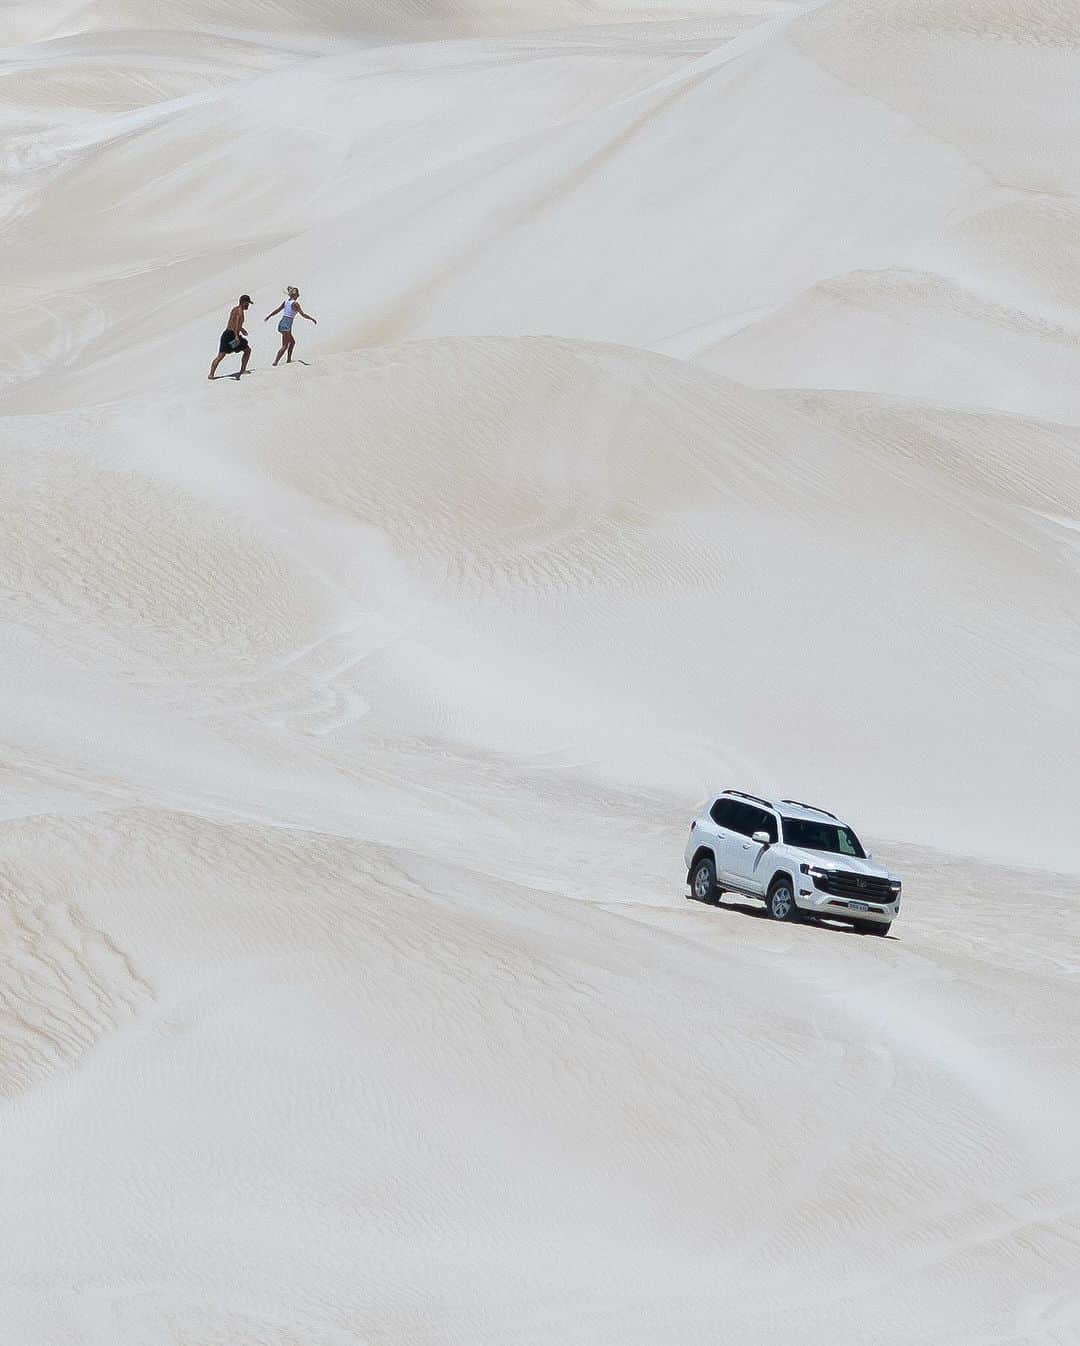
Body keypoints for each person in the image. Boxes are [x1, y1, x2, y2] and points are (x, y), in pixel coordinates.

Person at [265, 287, 317, 365]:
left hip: (282, 322)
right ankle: (275, 362)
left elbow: (278, 310)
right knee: (285, 345)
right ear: (296, 295)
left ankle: (288, 360)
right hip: (287, 324)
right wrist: (312, 319)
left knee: (292, 342)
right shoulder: (295, 304)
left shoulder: (286, 302)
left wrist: (269, 316)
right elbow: (303, 314)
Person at [208, 295, 252, 379]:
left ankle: (211, 374)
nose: (248, 305)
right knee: (247, 350)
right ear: (243, 303)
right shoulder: (240, 312)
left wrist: (241, 329)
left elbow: (233, 322)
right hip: (232, 335)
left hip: (226, 334)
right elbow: (236, 324)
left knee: (220, 356)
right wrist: (236, 336)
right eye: (247, 303)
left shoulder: (234, 309)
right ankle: (242, 370)